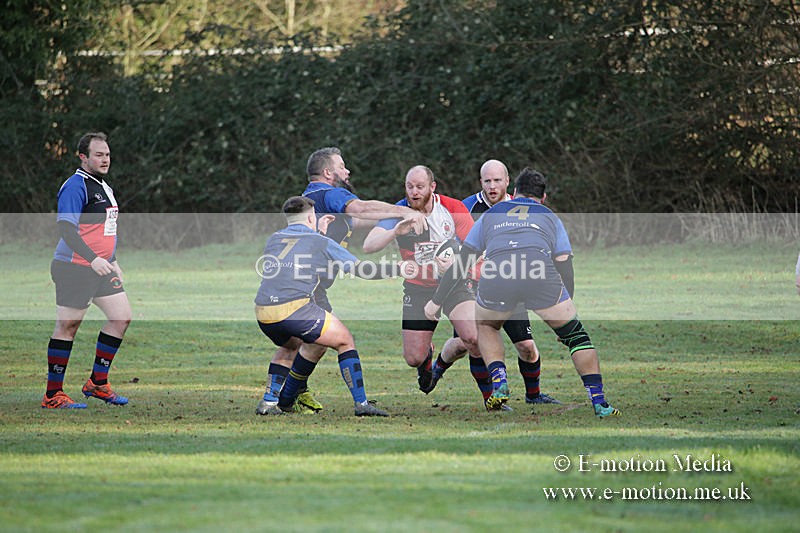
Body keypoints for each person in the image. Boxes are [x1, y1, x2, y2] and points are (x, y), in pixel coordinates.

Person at [424, 168, 621, 418]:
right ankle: (599, 402)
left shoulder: (492, 214)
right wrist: (565, 303)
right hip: (539, 274)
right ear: (544, 197)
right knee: (577, 337)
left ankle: (500, 382)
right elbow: (563, 262)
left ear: (513, 192)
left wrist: (436, 302)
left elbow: (462, 262)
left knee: (486, 326)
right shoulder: (549, 216)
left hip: (498, 276)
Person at [257, 147, 427, 414]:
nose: (347, 171)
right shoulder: (330, 193)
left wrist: (391, 226)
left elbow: (356, 221)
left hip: (285, 293)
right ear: (328, 172)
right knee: (340, 339)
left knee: (306, 344)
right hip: (307, 292)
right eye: (342, 166)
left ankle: (281, 398)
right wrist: (404, 211)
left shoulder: (310, 201)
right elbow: (362, 208)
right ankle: (352, 403)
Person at [255, 196, 402, 417]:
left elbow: (301, 253)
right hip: (295, 309)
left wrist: (319, 233)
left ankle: (269, 403)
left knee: (290, 345)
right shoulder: (320, 241)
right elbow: (361, 270)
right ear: (312, 217)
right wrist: (398, 268)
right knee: (345, 340)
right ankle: (361, 405)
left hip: (264, 312)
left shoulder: (274, 239)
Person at [363, 165, 484, 403]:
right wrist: (396, 230)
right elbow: (369, 245)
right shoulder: (398, 211)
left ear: (432, 187)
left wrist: (454, 265)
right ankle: (427, 358)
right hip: (418, 288)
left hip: (454, 285)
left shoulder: (452, 208)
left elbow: (474, 249)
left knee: (473, 337)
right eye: (410, 187)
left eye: (420, 187)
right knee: (413, 358)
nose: (414, 192)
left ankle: (491, 397)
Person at [42, 132, 132, 409]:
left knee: (121, 317)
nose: (105, 159)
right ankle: (53, 394)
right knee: (68, 326)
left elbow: (105, 229)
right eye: (98, 155)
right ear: (83, 157)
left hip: (101, 267)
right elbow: (66, 229)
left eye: (107, 154)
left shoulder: (104, 186)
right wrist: (93, 259)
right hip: (74, 268)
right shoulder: (75, 186)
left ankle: (97, 383)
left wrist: (112, 260)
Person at [462, 159, 560, 405]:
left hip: (511, 285)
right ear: (480, 182)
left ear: (508, 182)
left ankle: (533, 395)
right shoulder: (467, 208)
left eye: (497, 180)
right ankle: (491, 399)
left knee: (527, 346)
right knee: (474, 342)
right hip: (475, 288)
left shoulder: (522, 208)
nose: (492, 186)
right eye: (487, 181)